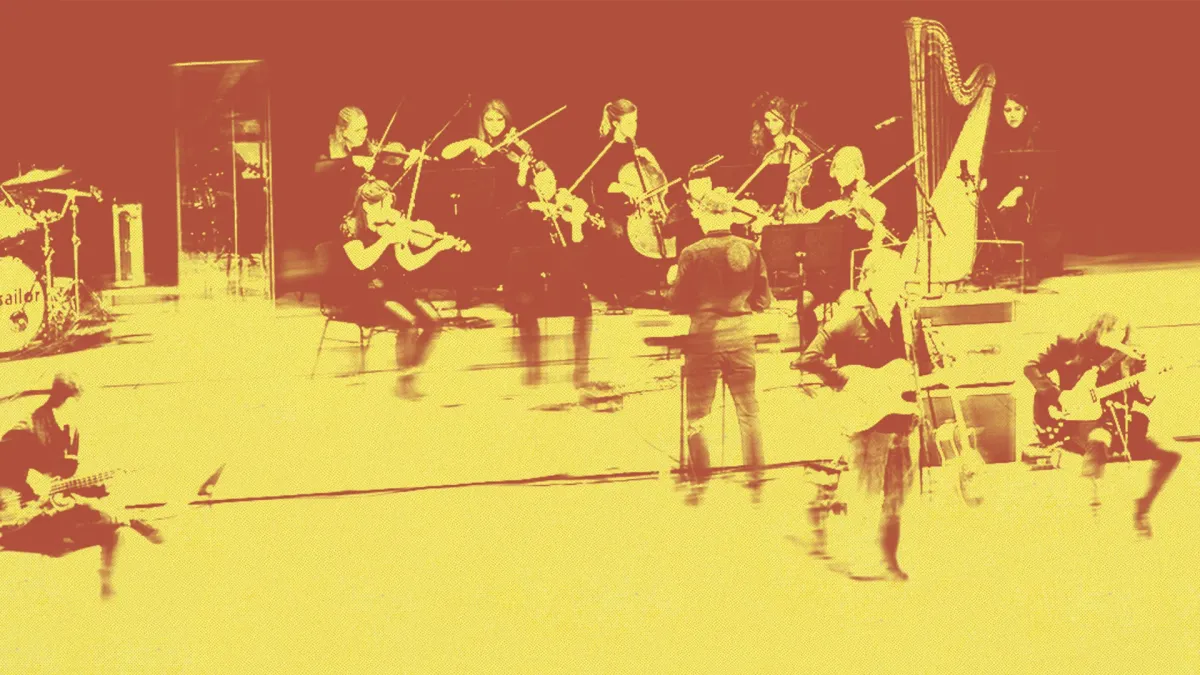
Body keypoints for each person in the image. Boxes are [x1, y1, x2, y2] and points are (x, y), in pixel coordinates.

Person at [793, 248, 915, 581]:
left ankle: (886, 556)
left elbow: (906, 363)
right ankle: (860, 557)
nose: (898, 284)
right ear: (870, 279)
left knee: (893, 491)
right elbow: (809, 358)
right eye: (891, 277)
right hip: (863, 412)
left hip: (893, 412)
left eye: (900, 277)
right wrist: (848, 380)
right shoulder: (851, 315)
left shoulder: (901, 315)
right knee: (866, 488)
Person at [0, 374, 163, 599]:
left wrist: (93, 488)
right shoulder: (28, 427)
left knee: (113, 530)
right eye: (79, 402)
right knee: (104, 516)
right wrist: (29, 481)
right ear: (68, 400)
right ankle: (137, 522)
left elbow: (63, 481)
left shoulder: (69, 431)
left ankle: (108, 582)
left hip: (49, 510)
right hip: (16, 514)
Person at [1025, 311, 1180, 536]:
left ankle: (1143, 508)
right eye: (1110, 329)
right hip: (1073, 423)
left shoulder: (1131, 356)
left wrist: (1150, 387)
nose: (1116, 335)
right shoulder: (1069, 345)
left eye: (1122, 331)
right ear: (1097, 328)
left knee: (1172, 454)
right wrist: (1057, 396)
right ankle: (1092, 509)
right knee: (1099, 438)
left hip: (1118, 424)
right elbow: (1030, 367)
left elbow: (1139, 396)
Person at [665, 187, 772, 503]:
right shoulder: (750, 249)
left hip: (705, 342)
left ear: (705, 217)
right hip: (741, 339)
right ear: (729, 216)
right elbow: (763, 301)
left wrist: (673, 281)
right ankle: (756, 480)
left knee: (697, 413)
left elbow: (676, 304)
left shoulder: (691, 253)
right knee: (748, 411)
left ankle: (700, 482)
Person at [336, 180, 461, 399]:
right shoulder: (350, 226)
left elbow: (408, 263)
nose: (391, 212)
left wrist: (437, 248)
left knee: (434, 321)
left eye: (390, 205)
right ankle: (405, 382)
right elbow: (361, 262)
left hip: (396, 286)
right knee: (409, 322)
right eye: (384, 205)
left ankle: (410, 372)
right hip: (367, 291)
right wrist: (386, 239)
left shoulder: (391, 226)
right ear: (367, 206)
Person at [504, 165, 594, 389]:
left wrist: (576, 221)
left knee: (584, 306)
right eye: (543, 184)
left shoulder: (566, 209)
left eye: (552, 182)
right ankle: (533, 368)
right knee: (524, 306)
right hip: (533, 281)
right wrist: (537, 207)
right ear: (533, 187)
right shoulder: (524, 210)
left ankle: (581, 371)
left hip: (561, 282)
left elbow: (577, 248)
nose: (549, 188)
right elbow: (510, 223)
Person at [588, 98, 672, 309]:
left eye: (636, 121)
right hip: (614, 209)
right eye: (629, 122)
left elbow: (660, 183)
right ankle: (624, 291)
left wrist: (652, 160)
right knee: (617, 233)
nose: (634, 127)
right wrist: (625, 188)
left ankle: (660, 285)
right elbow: (602, 186)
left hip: (642, 207)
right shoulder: (604, 148)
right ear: (616, 123)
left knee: (669, 227)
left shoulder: (638, 149)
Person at [749, 93, 812, 222]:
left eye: (775, 120)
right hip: (773, 212)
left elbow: (814, 172)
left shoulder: (797, 149)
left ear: (785, 120)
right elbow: (768, 191)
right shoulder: (768, 154)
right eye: (767, 120)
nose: (770, 126)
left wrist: (805, 150)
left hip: (796, 212)